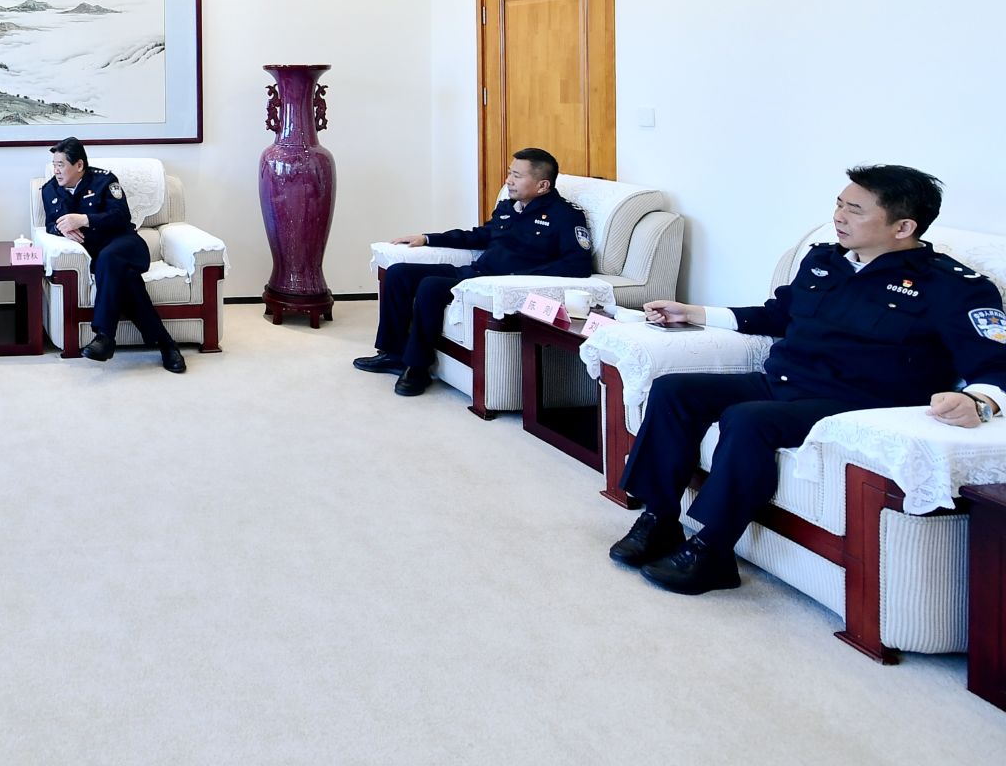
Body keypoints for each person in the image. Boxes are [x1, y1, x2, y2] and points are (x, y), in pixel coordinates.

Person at [608, 165, 1006, 595]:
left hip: (857, 402)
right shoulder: (824, 260)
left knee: (748, 420)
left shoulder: (952, 286)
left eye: (855, 210)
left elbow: (994, 364)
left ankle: (713, 550)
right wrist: (694, 313)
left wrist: (979, 402)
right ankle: (660, 518)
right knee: (674, 390)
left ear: (903, 226)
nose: (839, 216)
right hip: (786, 382)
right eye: (839, 204)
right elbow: (778, 315)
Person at [354, 148, 590, 396]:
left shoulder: (565, 216)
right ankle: (393, 353)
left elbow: (577, 265)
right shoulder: (509, 207)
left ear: (542, 185)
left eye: (517, 176)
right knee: (398, 273)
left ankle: (417, 367)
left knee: (430, 286)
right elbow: (480, 236)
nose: (508, 180)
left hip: (496, 284)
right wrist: (428, 238)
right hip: (475, 274)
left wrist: (520, 277)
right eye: (510, 173)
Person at [41, 137, 186, 374]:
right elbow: (49, 223)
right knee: (127, 279)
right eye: (54, 165)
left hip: (127, 246)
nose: (56, 170)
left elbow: (121, 216)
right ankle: (166, 344)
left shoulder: (104, 180)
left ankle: (105, 335)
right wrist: (62, 229)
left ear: (79, 165)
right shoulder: (49, 190)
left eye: (61, 165)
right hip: (101, 260)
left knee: (109, 259)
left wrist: (84, 219)